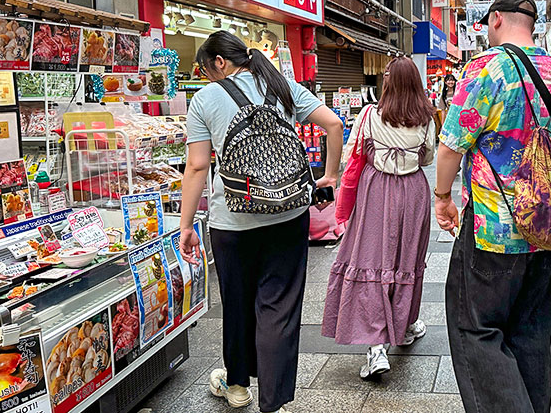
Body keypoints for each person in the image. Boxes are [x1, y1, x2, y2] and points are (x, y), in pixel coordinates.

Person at [178, 31, 343, 413]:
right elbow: (333, 125)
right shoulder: (281, 85)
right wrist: (329, 176)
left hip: (232, 222)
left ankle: (237, 386)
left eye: (206, 69)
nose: (207, 77)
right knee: (279, 307)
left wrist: (186, 225)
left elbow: (198, 165)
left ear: (219, 62)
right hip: (288, 214)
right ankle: (275, 400)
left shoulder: (205, 99)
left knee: (236, 303)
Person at [434, 0, 551, 413]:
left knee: (475, 328)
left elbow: (452, 144)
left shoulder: (485, 69)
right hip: (544, 222)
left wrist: (442, 197)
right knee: (530, 330)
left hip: (494, 224)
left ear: (495, 20)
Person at [322, 56, 436, 379]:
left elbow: (351, 155)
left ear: (388, 83)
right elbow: (427, 158)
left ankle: (375, 348)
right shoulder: (427, 119)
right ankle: (406, 323)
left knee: (371, 259)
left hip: (376, 193)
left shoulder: (370, 115)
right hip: (413, 194)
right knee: (406, 260)